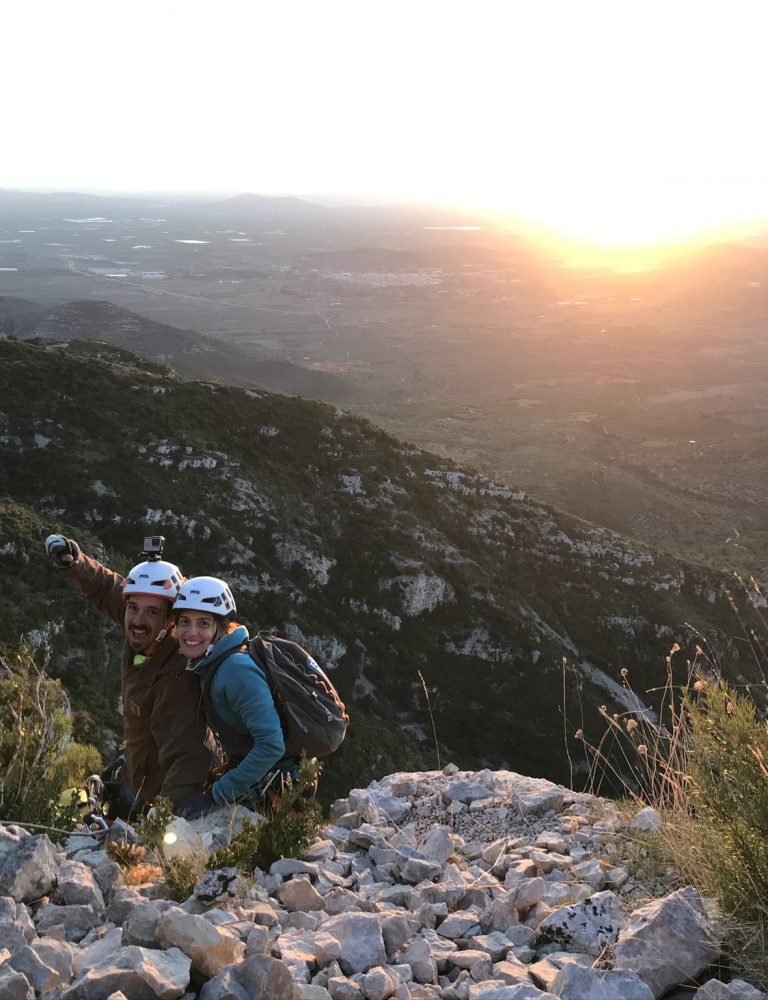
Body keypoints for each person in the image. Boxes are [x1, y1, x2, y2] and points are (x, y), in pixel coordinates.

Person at [44, 535, 218, 815]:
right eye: (133, 608)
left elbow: (189, 756)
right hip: (132, 776)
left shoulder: (178, 675)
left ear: (170, 620)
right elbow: (106, 586)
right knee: (64, 809)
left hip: (153, 796)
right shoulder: (143, 634)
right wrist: (76, 562)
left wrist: (161, 819)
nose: (137, 620)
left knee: (92, 826)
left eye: (152, 612)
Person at [172, 576, 292, 819]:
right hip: (259, 777)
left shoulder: (235, 670)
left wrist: (215, 796)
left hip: (277, 786)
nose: (191, 632)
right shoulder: (210, 664)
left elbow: (271, 745)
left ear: (220, 628)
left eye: (203, 623)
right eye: (184, 621)